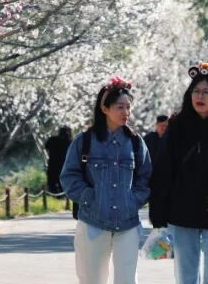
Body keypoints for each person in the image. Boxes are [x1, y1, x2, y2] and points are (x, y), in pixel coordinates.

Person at [149, 62, 208, 284]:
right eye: (196, 91)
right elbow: (163, 171)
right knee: (186, 275)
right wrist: (158, 213)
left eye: (206, 92)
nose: (200, 96)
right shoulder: (176, 127)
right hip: (182, 212)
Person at [61, 76, 152, 284]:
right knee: (91, 279)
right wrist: (89, 197)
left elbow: (145, 177)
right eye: (120, 107)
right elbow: (69, 176)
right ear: (104, 108)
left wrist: (133, 200)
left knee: (127, 280)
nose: (126, 112)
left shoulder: (136, 143)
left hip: (127, 223)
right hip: (93, 222)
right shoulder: (84, 141)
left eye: (128, 107)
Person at [45, 126, 74, 194]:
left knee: (52, 184)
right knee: (63, 184)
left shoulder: (52, 139)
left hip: (52, 165)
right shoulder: (69, 142)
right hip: (63, 166)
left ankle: (55, 194)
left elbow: (46, 147)